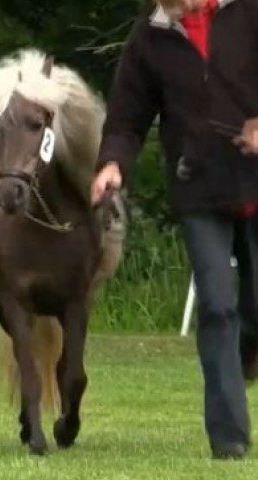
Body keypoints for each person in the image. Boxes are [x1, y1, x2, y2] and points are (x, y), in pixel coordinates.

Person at [91, 0, 258, 460]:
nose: (173, 8)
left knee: (252, 308)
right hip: (197, 187)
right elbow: (127, 117)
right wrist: (111, 164)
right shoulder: (150, 36)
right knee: (217, 305)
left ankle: (247, 349)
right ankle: (229, 438)